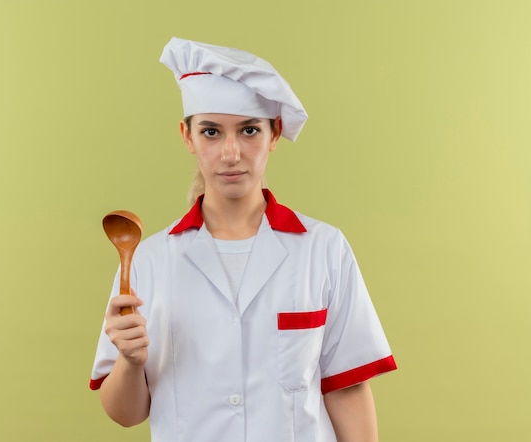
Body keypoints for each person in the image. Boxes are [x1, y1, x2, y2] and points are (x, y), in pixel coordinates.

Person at [90, 36, 397, 442]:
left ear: (274, 134)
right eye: (212, 132)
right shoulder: (147, 260)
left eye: (249, 130)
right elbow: (126, 415)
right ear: (187, 136)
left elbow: (348, 388)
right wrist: (129, 361)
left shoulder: (324, 249)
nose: (231, 153)